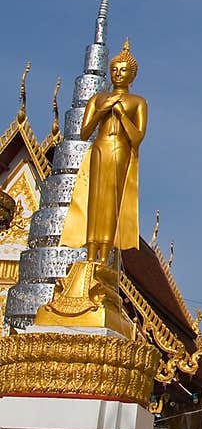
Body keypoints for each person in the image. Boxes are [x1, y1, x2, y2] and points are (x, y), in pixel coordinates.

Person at [62, 39, 147, 264]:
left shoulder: (137, 102)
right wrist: (102, 110)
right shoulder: (98, 99)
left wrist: (119, 112)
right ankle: (90, 255)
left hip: (120, 150)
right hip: (99, 148)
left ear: (132, 75)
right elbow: (84, 132)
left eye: (123, 70)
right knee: (95, 201)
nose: (118, 74)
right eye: (115, 70)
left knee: (111, 201)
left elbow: (137, 138)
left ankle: (104, 256)